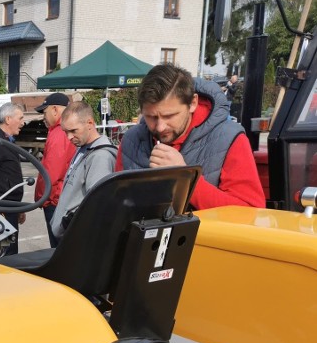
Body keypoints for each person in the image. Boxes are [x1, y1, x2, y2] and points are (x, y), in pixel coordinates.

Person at [118, 63, 264, 209]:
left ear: (193, 103)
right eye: (151, 117)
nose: (160, 127)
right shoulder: (131, 141)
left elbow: (250, 212)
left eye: (169, 116)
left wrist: (186, 179)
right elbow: (117, 205)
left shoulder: (230, 139)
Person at [50, 101, 117, 239]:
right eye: (66, 132)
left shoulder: (100, 156)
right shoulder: (83, 148)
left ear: (90, 124)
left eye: (74, 131)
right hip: (69, 234)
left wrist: (67, 223)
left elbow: (96, 205)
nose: (69, 137)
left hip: (78, 236)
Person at [33, 92, 75, 247]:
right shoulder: (66, 131)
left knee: (58, 249)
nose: (43, 117)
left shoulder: (59, 134)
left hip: (55, 201)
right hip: (63, 198)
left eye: (45, 112)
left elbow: (51, 173)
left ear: (55, 110)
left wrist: (42, 198)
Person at [0, 102, 27, 255]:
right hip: (2, 209)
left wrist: (19, 207)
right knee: (6, 254)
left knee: (12, 251)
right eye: (20, 118)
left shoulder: (8, 141)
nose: (23, 122)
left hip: (11, 207)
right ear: (8, 119)